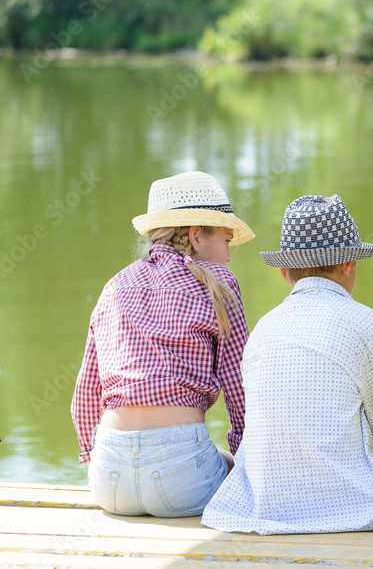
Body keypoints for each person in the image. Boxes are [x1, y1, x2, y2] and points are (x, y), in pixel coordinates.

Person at [202, 195, 373, 534]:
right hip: (351, 507)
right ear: (348, 265)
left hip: (264, 506)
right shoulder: (368, 325)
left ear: (285, 272)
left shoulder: (262, 330)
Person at [70, 171, 253, 517]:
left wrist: (93, 455)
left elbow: (84, 394)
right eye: (227, 242)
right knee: (227, 464)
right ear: (197, 236)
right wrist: (246, 463)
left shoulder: (115, 286)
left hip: (108, 481)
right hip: (180, 477)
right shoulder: (220, 282)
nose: (229, 257)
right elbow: (239, 389)